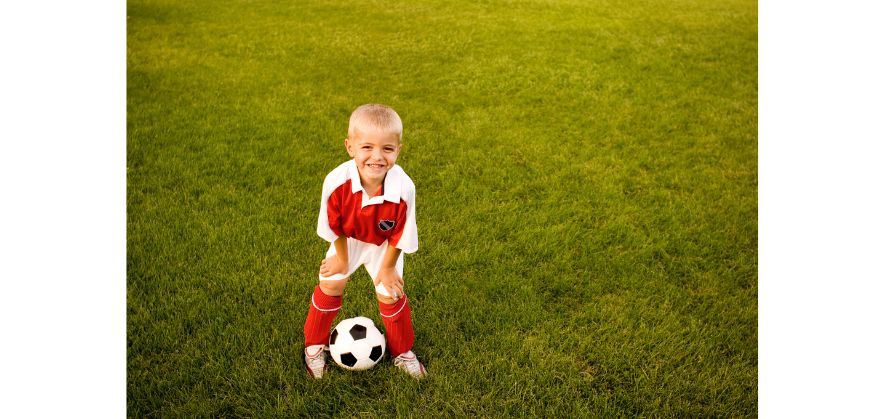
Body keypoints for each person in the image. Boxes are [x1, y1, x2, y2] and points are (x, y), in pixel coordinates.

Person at [303, 104, 427, 379]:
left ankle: (403, 352)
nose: (377, 157)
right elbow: (333, 226)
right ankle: (313, 346)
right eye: (367, 147)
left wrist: (387, 268)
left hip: (384, 245)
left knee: (391, 293)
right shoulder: (336, 182)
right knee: (332, 282)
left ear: (398, 149)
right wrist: (343, 258)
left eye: (387, 149)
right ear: (350, 147)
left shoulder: (403, 187)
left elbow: (401, 233)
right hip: (347, 242)